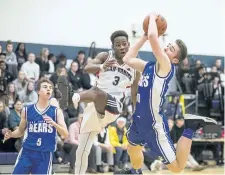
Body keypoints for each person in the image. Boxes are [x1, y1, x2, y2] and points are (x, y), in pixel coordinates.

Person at [114, 13, 217, 174]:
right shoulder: (149, 66)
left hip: (153, 124)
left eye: (172, 49)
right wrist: (143, 37)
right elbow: (127, 59)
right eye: (168, 45)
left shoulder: (166, 65)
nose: (167, 47)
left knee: (176, 168)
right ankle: (136, 172)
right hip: (139, 119)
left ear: (175, 59)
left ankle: (190, 127)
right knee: (132, 148)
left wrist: (152, 17)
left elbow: (154, 37)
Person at [72, 30, 140, 174]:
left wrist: (137, 112)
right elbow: (87, 67)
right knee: (82, 150)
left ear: (129, 45)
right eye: (118, 45)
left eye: (124, 44)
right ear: (113, 47)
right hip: (94, 105)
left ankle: (77, 96)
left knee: (97, 92)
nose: (121, 47)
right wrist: (102, 67)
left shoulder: (135, 65)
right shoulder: (105, 56)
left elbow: (134, 92)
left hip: (114, 105)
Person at [4, 78, 68, 174]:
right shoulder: (26, 110)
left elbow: (65, 134)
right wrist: (11, 134)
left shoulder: (56, 112)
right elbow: (20, 131)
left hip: (44, 155)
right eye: (45, 87)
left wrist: (54, 124)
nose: (48, 89)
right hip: (27, 152)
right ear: (38, 91)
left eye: (50, 88)